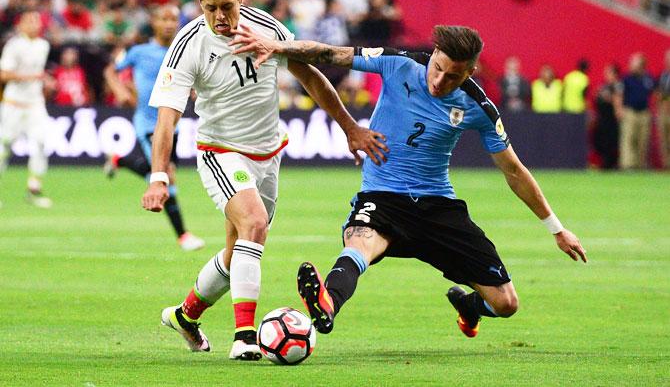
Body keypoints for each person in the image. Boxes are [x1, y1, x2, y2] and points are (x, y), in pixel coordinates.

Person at [230, 24, 587, 338]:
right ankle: (327, 304)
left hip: (438, 208)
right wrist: (277, 46)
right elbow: (329, 54)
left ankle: (468, 308)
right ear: (432, 54)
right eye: (438, 68)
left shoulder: (479, 107)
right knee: (359, 243)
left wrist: (556, 228)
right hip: (384, 197)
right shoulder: (398, 62)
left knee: (506, 303)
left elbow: (513, 170)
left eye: (453, 77)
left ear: (471, 72)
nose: (439, 81)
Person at [141, 0, 386, 360]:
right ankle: (245, 336)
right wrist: (158, 178)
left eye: (226, 6)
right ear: (199, 4)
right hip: (220, 151)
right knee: (254, 223)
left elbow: (309, 76)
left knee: (237, 250)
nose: (219, 17)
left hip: (268, 154)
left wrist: (349, 127)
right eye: (209, 8)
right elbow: (167, 119)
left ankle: (186, 317)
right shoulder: (188, 45)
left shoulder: (267, 29)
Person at [103, 4, 204, 252]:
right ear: (154, 22)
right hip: (149, 123)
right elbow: (111, 71)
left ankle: (120, 160)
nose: (169, 23)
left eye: (173, 19)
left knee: (159, 172)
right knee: (165, 177)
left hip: (175, 124)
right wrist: (119, 89)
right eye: (163, 18)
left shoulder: (185, 50)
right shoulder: (138, 51)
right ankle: (183, 235)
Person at [0, 11, 52, 208]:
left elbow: (38, 73)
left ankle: (34, 190)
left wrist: (44, 80)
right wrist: (30, 78)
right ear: (20, 25)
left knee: (40, 143)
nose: (35, 25)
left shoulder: (43, 45)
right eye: (30, 21)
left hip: (35, 104)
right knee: (4, 146)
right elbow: (4, 75)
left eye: (37, 21)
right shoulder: (14, 45)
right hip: (14, 104)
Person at [614, 52, 656, 170]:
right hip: (630, 112)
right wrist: (619, 109)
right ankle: (628, 165)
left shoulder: (648, 78)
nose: (632, 65)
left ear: (642, 64)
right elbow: (618, 94)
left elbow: (654, 94)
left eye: (635, 63)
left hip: (644, 112)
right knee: (628, 139)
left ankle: (640, 164)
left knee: (642, 140)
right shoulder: (625, 79)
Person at [592, 64, 623, 169]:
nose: (606, 75)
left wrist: (618, 112)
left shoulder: (617, 85)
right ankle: (605, 162)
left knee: (612, 142)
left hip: (611, 119)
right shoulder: (604, 86)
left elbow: (617, 100)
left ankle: (611, 163)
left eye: (609, 72)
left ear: (615, 74)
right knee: (601, 141)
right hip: (603, 118)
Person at [657, 49, 670, 169]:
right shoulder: (663, 76)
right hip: (663, 111)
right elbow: (659, 92)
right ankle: (667, 165)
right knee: (664, 140)